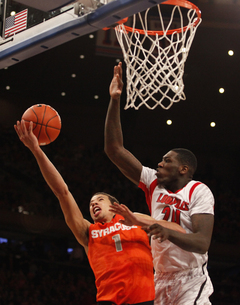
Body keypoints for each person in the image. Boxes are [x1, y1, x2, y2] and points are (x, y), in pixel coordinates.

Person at [14, 120, 184, 305]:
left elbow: (178, 230)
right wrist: (36, 150)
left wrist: (138, 220)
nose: (93, 204)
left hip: (145, 300)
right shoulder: (88, 232)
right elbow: (62, 192)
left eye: (99, 200)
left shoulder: (135, 219)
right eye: (90, 203)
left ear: (114, 205)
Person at [104, 62, 215, 305]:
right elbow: (114, 150)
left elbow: (202, 242)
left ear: (183, 169)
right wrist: (114, 100)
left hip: (190, 279)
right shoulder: (154, 182)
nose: (160, 164)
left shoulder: (198, 191)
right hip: (161, 279)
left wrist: (166, 232)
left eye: (167, 161)